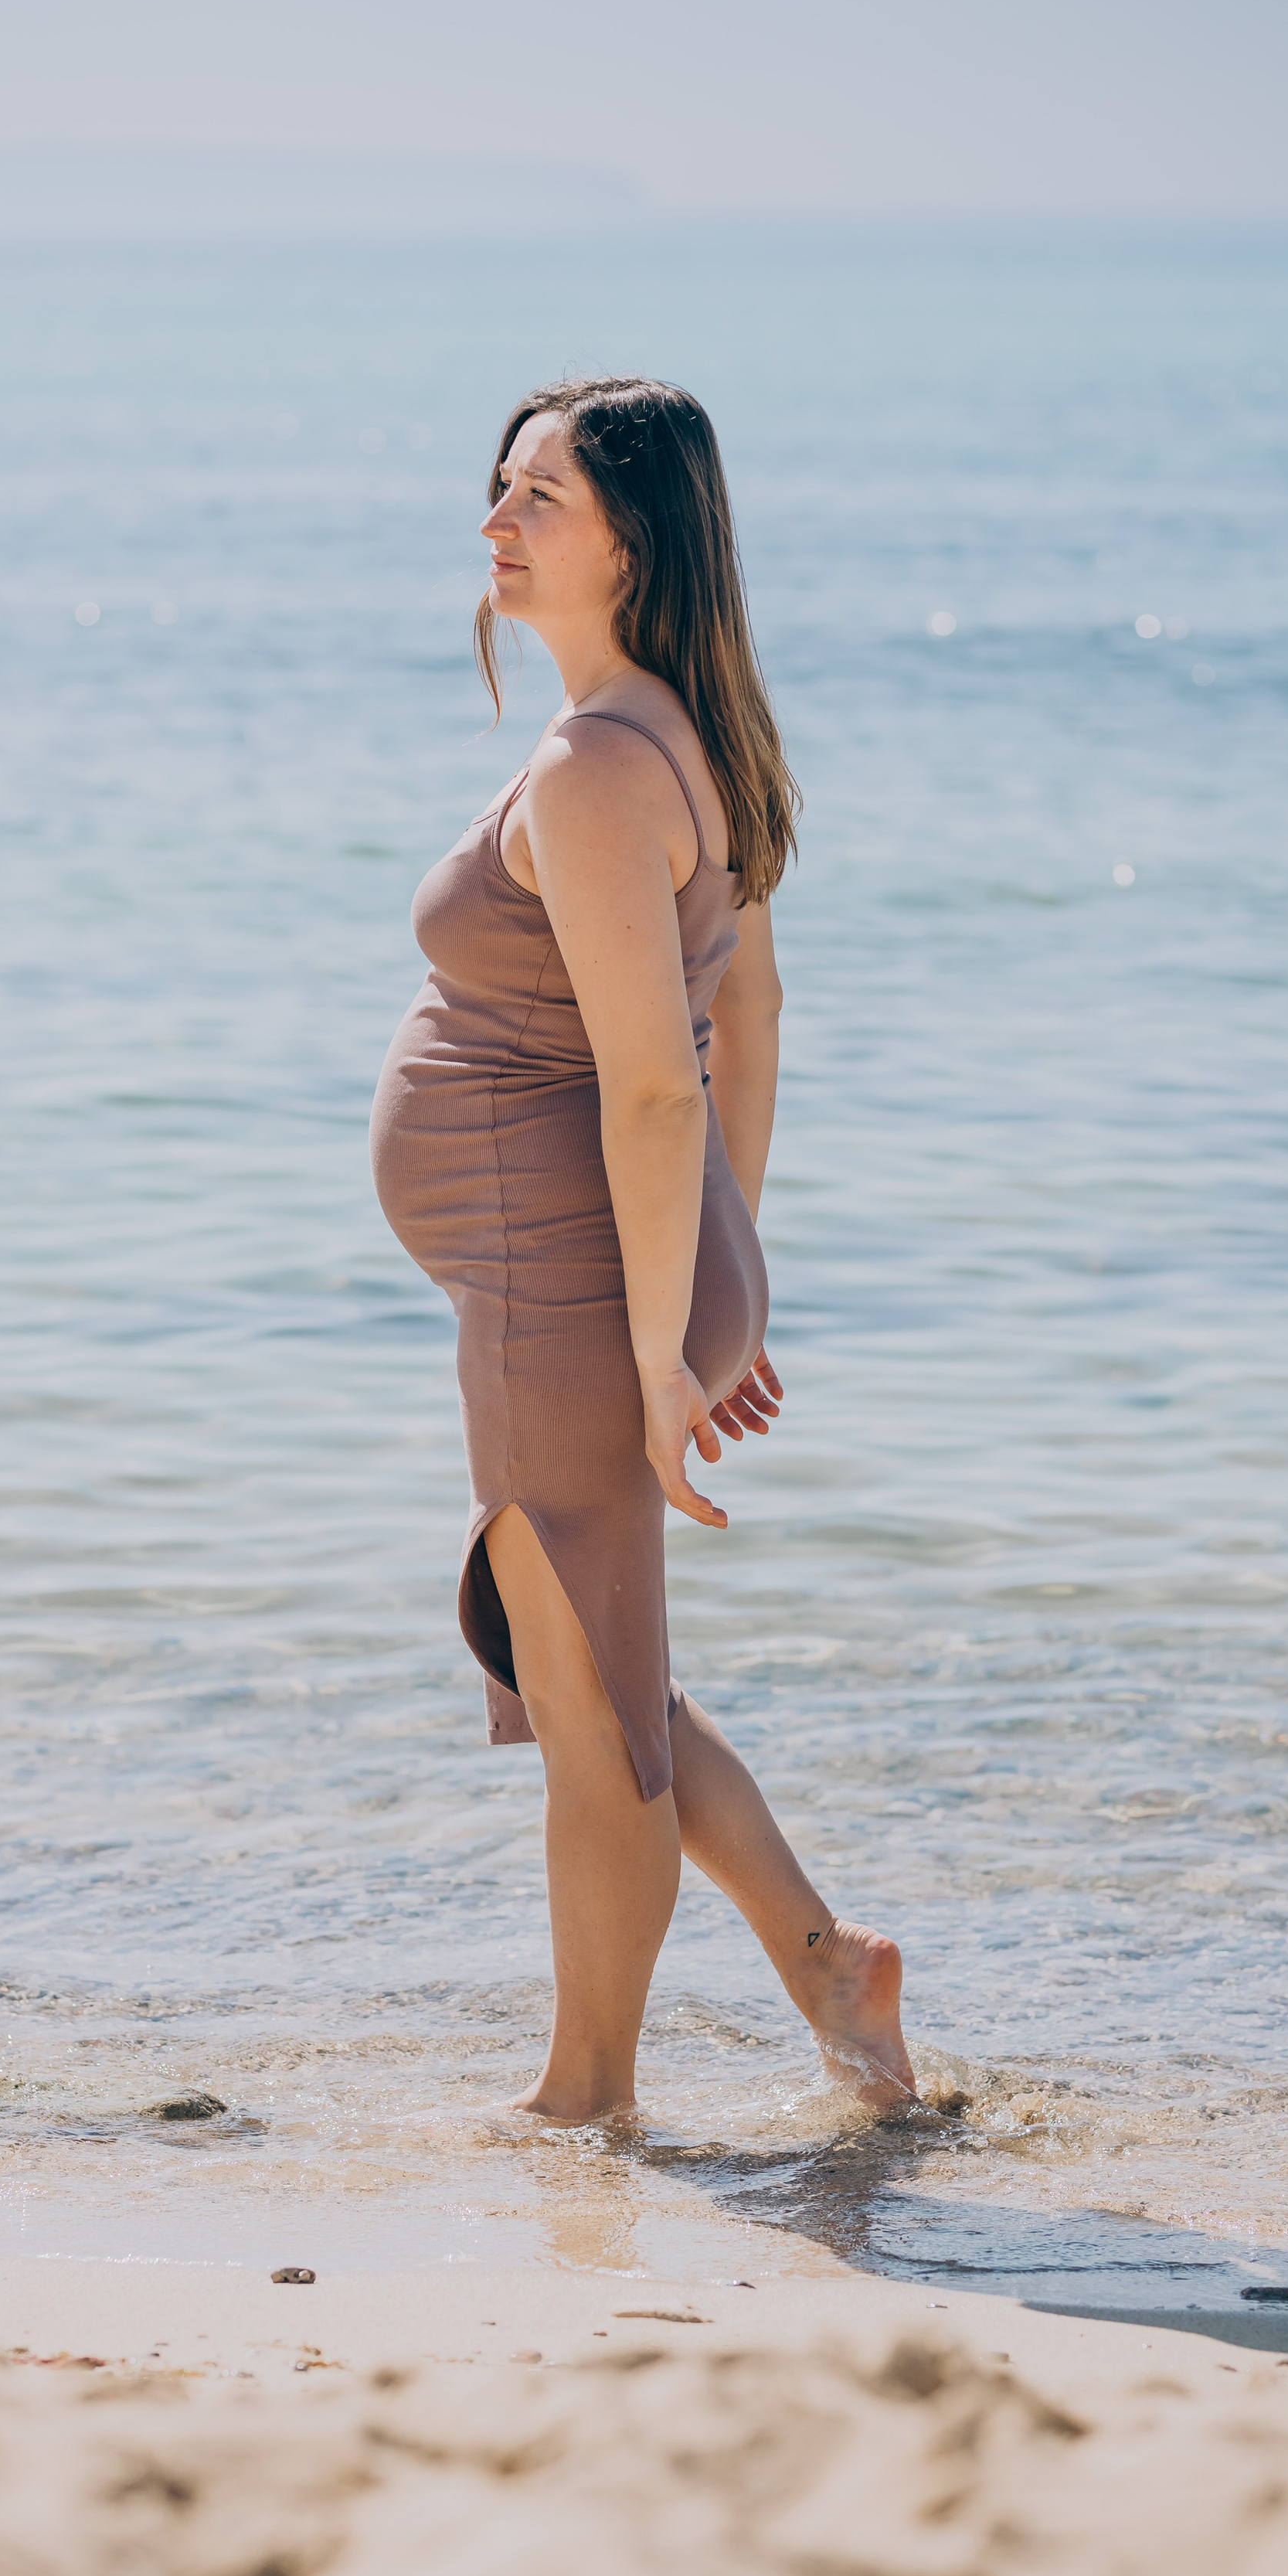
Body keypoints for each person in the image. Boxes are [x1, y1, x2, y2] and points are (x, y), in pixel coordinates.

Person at [370, 376, 917, 2124]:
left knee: (593, 1710)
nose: (496, 521)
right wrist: (709, 1283)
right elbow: (748, 1016)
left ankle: (585, 2102)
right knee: (599, 1671)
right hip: (601, 1270)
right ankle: (824, 1967)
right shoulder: (680, 733)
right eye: (499, 485)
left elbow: (657, 1088)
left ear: (635, 543)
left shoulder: (601, 766)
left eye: (540, 496)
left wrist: (668, 1343)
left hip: (575, 1276)